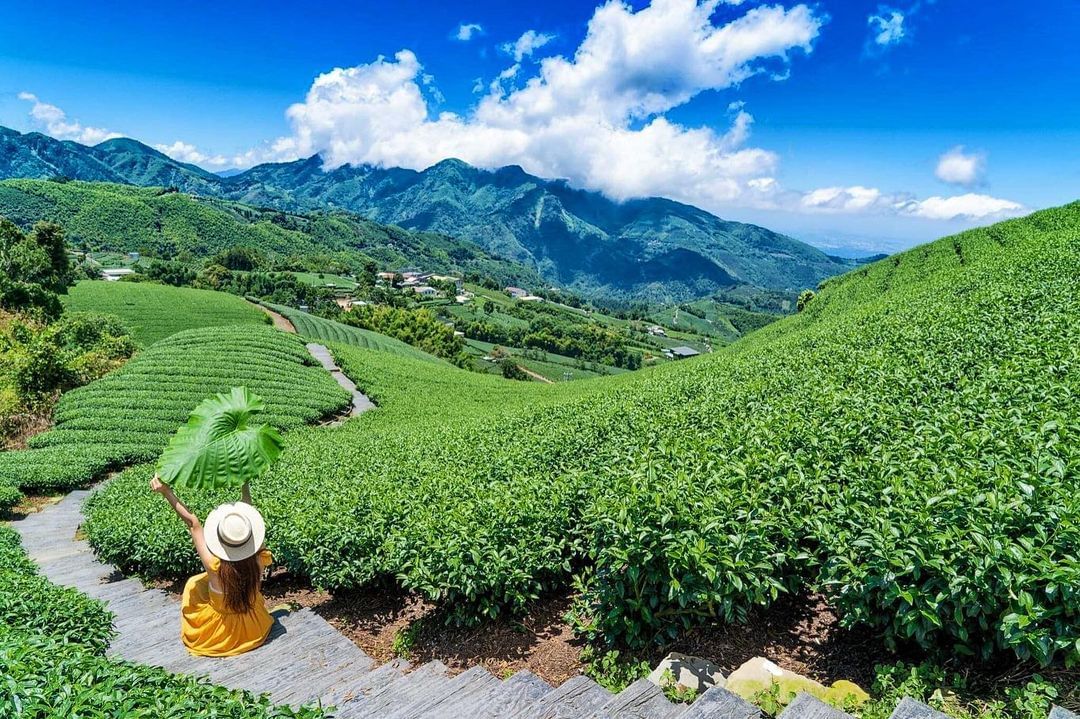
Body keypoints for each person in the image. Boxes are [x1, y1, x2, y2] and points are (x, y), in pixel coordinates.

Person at [150, 475, 274, 657]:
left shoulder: (214, 566)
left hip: (220, 634)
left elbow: (193, 524)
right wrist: (245, 481)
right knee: (202, 582)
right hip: (253, 628)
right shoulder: (259, 558)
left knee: (194, 583)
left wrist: (166, 491)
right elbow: (248, 511)